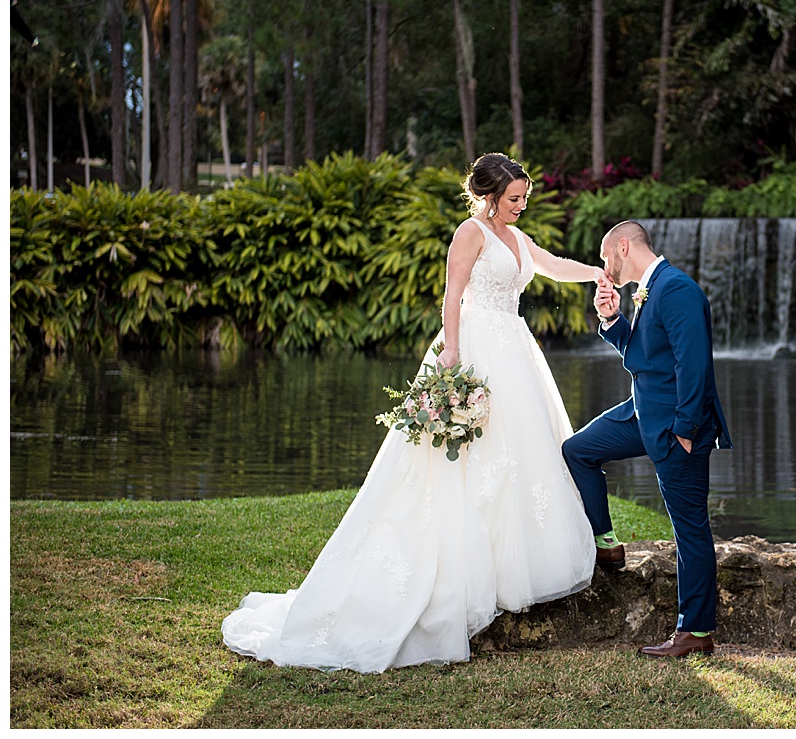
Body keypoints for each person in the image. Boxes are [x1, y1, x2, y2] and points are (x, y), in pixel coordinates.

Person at [222, 153, 603, 672]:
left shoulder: (518, 240)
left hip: (515, 351)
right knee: (462, 462)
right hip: (474, 348)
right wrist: (451, 350)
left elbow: (552, 266)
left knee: (522, 455)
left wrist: (599, 274)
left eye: (525, 199)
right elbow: (453, 292)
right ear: (489, 198)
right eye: (514, 199)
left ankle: (517, 570)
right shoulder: (470, 233)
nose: (521, 206)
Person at [563, 221, 732, 659]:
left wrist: (687, 431)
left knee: (690, 528)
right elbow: (644, 358)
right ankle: (607, 545)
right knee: (578, 450)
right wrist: (611, 319)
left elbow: (694, 366)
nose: (604, 267)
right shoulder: (649, 289)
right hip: (644, 411)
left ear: (623, 247)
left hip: (678, 426)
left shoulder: (676, 289)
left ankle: (695, 631)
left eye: (605, 257)